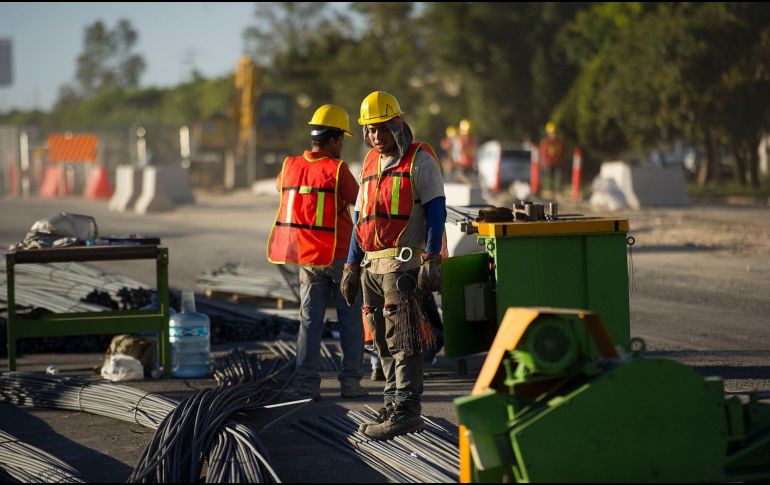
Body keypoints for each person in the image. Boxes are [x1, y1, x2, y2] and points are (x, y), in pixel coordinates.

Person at [341, 91, 447, 441]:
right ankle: (391, 402)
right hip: (372, 266)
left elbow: (436, 212)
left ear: (397, 124)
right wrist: (351, 265)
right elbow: (360, 219)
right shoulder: (370, 162)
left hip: (402, 266)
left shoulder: (420, 160)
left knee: (403, 339)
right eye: (369, 130)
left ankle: (407, 409)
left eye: (380, 129)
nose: (374, 136)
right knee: (381, 343)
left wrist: (431, 258)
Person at [267, 104, 366, 400]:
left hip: (307, 258)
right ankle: (350, 383)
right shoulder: (336, 169)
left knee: (309, 321)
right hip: (340, 258)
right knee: (350, 320)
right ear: (334, 139)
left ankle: (307, 385)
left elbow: (282, 189)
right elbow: (359, 200)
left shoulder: (289, 166)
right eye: (342, 140)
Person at [539, 121, 565, 197]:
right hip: (549, 163)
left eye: (554, 132)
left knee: (558, 177)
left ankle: (558, 191)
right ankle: (549, 191)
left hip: (557, 162)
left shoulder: (558, 141)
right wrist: (544, 162)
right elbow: (543, 152)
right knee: (549, 177)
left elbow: (562, 151)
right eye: (552, 133)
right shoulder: (546, 141)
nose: (553, 134)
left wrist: (561, 160)